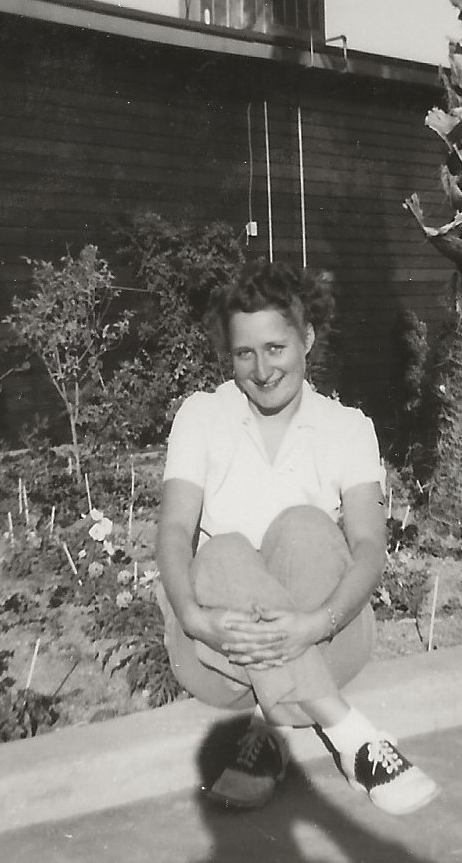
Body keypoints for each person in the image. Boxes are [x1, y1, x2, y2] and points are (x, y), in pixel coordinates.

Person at [156, 259, 438, 815]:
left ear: (306, 339)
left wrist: (315, 623)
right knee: (222, 552)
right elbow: (173, 528)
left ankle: (268, 729)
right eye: (245, 353)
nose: (261, 370)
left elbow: (367, 548)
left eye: (276, 348)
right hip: (218, 652)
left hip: (327, 636)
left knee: (305, 527)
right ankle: (351, 733)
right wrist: (193, 617)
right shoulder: (202, 415)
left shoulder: (348, 427)